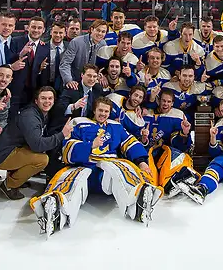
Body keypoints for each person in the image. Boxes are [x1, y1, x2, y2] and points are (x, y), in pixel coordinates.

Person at [30, 97, 161, 238]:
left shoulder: (116, 126)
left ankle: (137, 203)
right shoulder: (79, 123)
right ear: (94, 110)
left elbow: (130, 142)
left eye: (106, 111)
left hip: (107, 173)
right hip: (83, 165)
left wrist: (142, 162)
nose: (103, 114)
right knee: (71, 179)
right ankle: (57, 211)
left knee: (121, 169)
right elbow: (66, 147)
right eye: (100, 110)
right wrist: (90, 146)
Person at [0, 87, 73, 200]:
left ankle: (16, 178)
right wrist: (62, 135)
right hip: (2, 155)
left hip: (11, 148)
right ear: (36, 100)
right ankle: (9, 185)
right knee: (42, 160)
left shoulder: (41, 113)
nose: (47, 101)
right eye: (43, 98)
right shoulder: (30, 116)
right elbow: (37, 145)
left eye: (50, 98)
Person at [141, 89, 199, 202]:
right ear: (158, 101)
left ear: (172, 103)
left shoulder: (178, 115)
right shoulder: (146, 112)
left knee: (179, 156)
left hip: (165, 152)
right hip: (147, 150)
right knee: (146, 166)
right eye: (163, 101)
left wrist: (184, 133)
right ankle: (149, 186)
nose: (165, 104)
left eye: (169, 102)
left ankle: (173, 182)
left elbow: (179, 144)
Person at [8, 17, 50, 116]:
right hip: (15, 90)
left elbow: (44, 72)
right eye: (33, 27)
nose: (36, 30)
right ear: (28, 28)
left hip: (34, 91)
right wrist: (20, 54)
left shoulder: (46, 47)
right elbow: (7, 61)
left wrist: (40, 70)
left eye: (39, 28)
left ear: (43, 30)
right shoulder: (15, 41)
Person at [59, 19, 108, 89]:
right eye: (98, 30)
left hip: (92, 81)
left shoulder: (103, 44)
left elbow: (101, 66)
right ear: (91, 29)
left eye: (103, 32)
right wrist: (69, 81)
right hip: (75, 80)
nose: (100, 33)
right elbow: (65, 64)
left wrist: (102, 75)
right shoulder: (76, 42)